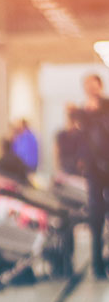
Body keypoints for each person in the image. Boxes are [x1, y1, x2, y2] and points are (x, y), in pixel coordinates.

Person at [78, 74, 109, 278]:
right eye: (87, 84)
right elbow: (79, 140)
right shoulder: (82, 113)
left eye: (94, 84)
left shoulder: (107, 106)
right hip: (94, 172)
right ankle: (98, 266)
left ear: (100, 85)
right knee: (96, 217)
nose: (91, 88)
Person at [55, 103, 86, 175]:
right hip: (64, 170)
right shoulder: (61, 135)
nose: (69, 117)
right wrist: (58, 171)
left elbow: (82, 159)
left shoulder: (81, 134)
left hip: (77, 173)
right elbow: (56, 153)